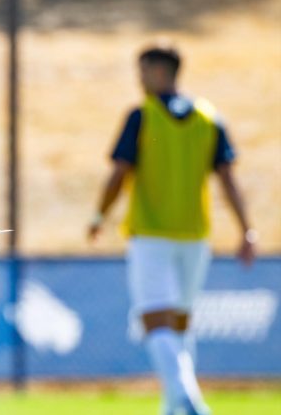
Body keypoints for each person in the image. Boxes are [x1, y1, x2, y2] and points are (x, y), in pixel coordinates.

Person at [87, 45, 257, 415]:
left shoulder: (142, 115)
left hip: (151, 235)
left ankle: (190, 400)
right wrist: (246, 229)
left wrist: (100, 216)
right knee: (179, 325)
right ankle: (173, 407)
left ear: (159, 71)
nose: (140, 79)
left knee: (155, 322)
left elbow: (119, 173)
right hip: (195, 237)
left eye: (144, 70)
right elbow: (229, 180)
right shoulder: (209, 117)